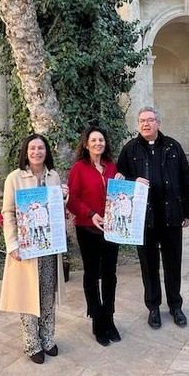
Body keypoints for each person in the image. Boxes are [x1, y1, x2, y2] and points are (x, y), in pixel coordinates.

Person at [117, 106, 189, 329]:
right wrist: (133, 181)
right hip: (145, 220)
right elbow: (120, 181)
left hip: (171, 217)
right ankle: (153, 307)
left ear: (158, 123)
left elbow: (186, 180)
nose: (145, 124)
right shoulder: (130, 149)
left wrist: (188, 211)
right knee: (149, 265)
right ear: (138, 124)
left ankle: (175, 305)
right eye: (142, 120)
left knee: (173, 263)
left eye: (150, 120)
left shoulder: (173, 146)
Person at [0, 134, 68, 364]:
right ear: (26, 152)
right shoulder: (14, 178)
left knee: (47, 294)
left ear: (46, 151)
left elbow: (56, 210)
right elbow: (8, 212)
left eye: (41, 148)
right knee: (28, 295)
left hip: (48, 247)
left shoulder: (53, 176)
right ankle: (32, 344)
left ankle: (48, 339)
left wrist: (64, 198)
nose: (37, 152)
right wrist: (13, 245)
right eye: (32, 148)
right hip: (26, 248)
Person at [67, 126, 122, 346]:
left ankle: (109, 318)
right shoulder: (78, 168)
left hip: (111, 229)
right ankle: (97, 320)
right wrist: (91, 214)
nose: (98, 143)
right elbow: (72, 199)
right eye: (94, 140)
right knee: (91, 274)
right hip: (87, 228)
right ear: (86, 144)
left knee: (110, 274)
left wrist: (121, 183)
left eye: (101, 140)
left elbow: (118, 196)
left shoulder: (111, 167)